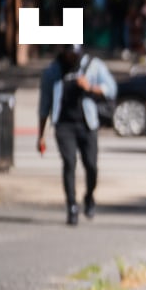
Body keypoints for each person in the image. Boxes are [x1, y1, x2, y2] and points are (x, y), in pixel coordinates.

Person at [37, 43, 117, 225]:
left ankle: (89, 196)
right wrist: (41, 135)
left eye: (75, 53)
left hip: (87, 124)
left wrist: (90, 87)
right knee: (69, 163)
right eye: (69, 53)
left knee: (91, 166)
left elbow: (111, 88)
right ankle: (72, 206)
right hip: (63, 125)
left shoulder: (93, 66)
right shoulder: (52, 72)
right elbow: (44, 105)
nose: (72, 56)